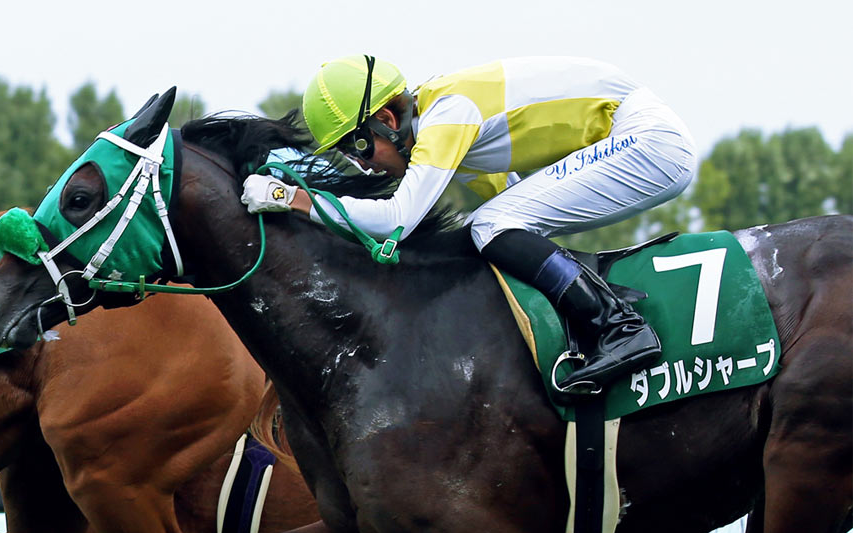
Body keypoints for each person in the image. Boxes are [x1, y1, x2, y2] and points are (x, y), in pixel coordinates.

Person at [275, 55, 699, 394]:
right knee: (490, 227)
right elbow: (513, 219)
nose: (364, 168)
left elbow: (396, 221)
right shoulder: (449, 124)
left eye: (360, 147)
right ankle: (594, 303)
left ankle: (618, 327)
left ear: (386, 120)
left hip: (648, 140)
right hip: (638, 136)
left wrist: (290, 198)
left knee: (491, 225)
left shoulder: (448, 113)